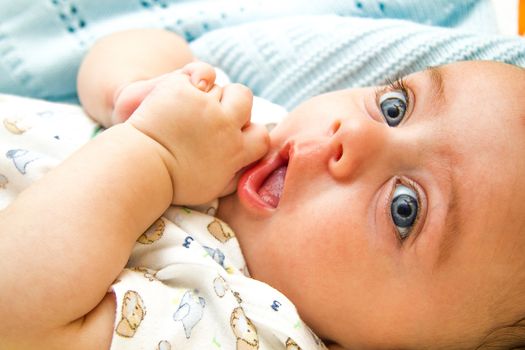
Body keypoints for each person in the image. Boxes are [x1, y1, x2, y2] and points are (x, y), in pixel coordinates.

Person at [0, 28, 524, 350]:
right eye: (395, 108)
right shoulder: (251, 131)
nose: (355, 135)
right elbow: (132, 45)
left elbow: (15, 317)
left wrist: (154, 151)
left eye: (404, 207)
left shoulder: (244, 327)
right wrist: (135, 89)